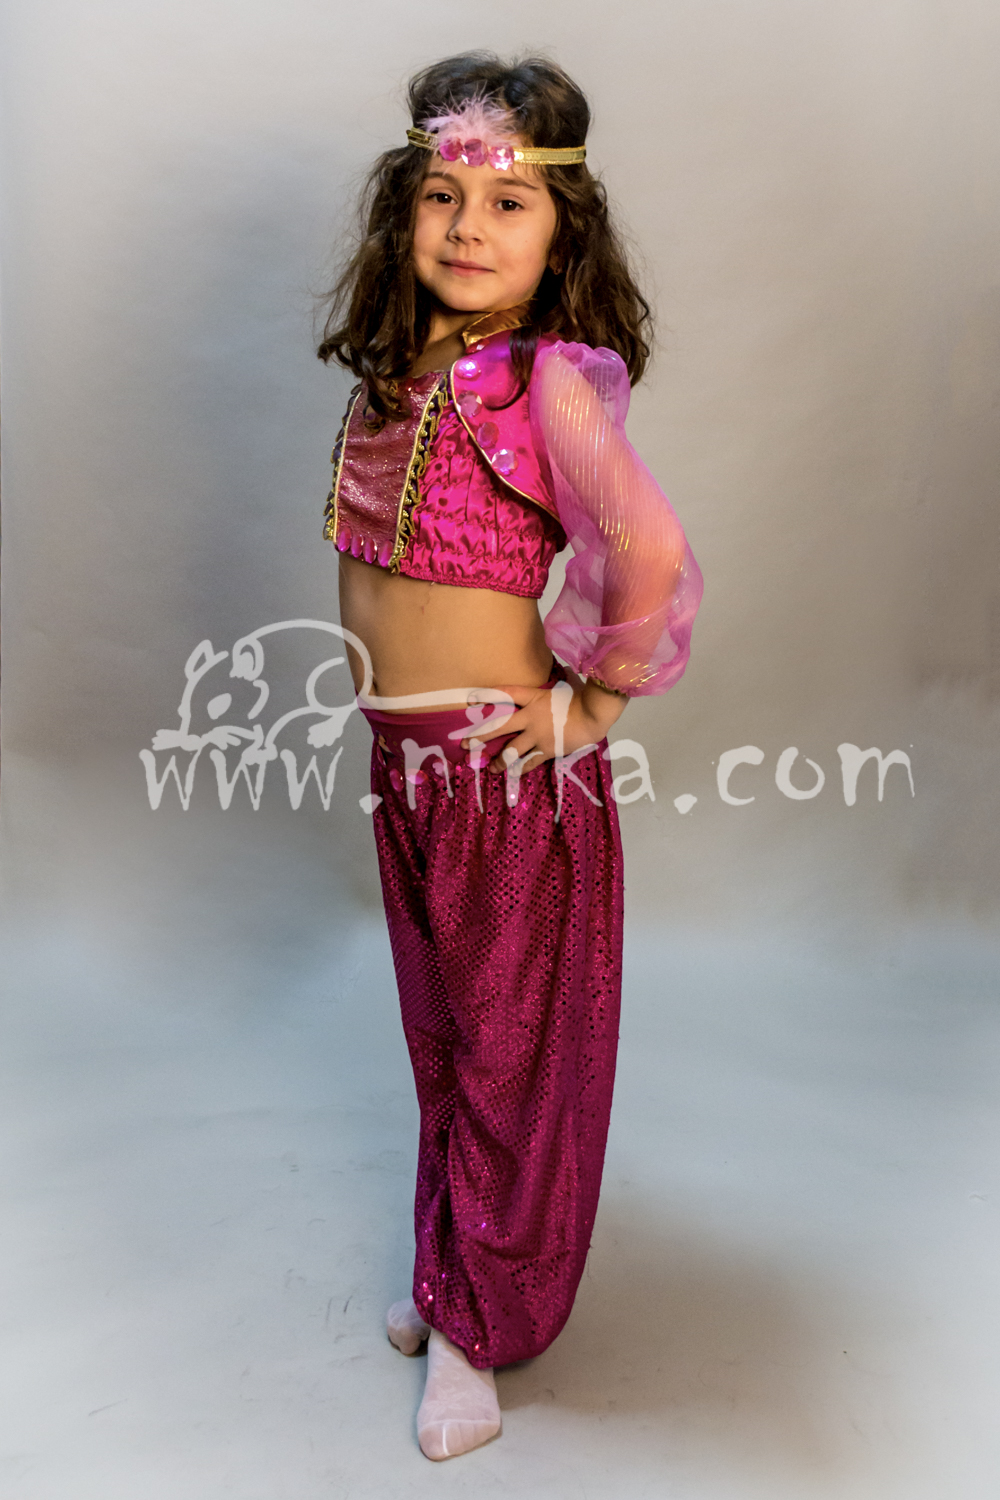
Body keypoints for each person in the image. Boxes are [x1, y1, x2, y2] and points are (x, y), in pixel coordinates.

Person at [316, 51, 702, 1461]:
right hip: (407, 773)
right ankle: (452, 1267)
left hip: (502, 787)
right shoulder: (399, 374)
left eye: (506, 204)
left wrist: (589, 709)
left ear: (562, 233)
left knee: (502, 1063)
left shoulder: (542, 387)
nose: (467, 226)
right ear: (402, 214)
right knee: (441, 1038)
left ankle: (476, 1333)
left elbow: (648, 549)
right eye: (441, 196)